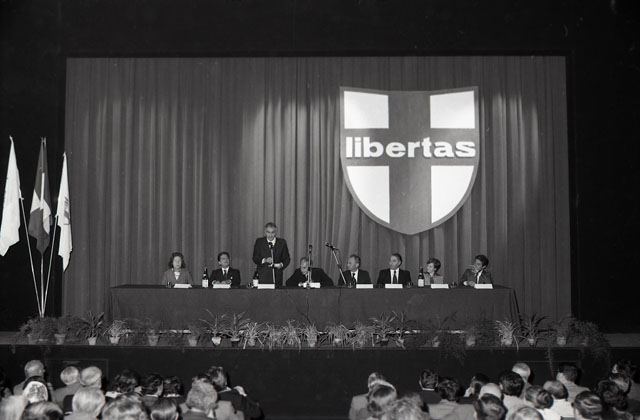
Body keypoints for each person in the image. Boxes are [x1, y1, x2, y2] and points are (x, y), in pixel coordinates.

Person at [252, 222, 291, 286]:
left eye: (272, 232)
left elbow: (287, 259)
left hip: (277, 277)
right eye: (268, 232)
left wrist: (281, 265)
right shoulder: (259, 242)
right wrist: (265, 260)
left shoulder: (282, 243)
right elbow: (255, 258)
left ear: (276, 232)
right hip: (263, 276)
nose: (270, 235)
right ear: (265, 232)